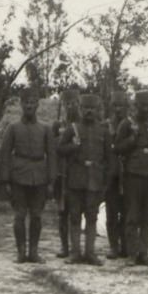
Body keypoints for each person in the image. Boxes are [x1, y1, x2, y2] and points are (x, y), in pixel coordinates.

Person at [0, 89, 57, 263]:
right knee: (19, 215)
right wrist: (6, 179)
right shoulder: (13, 128)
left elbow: (52, 155)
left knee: (37, 216)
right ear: (21, 105)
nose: (29, 106)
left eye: (33, 102)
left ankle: (33, 252)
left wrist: (51, 181)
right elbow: (5, 154)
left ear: (37, 105)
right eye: (26, 103)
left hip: (39, 176)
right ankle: (21, 252)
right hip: (19, 176)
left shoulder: (45, 129)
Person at [113, 89, 148, 266]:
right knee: (132, 215)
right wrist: (132, 140)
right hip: (133, 175)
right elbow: (117, 147)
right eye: (142, 105)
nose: (145, 108)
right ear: (135, 105)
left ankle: (143, 252)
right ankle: (132, 253)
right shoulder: (126, 124)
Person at [57, 94, 111, 265]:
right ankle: (75, 253)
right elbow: (59, 149)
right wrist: (73, 146)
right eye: (85, 108)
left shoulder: (103, 131)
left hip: (94, 181)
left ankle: (90, 253)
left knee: (92, 217)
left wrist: (105, 181)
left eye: (92, 108)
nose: (89, 111)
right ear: (80, 110)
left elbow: (108, 159)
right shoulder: (72, 129)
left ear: (97, 111)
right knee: (74, 217)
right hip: (75, 180)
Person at [53, 89, 80, 259]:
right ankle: (64, 247)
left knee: (76, 212)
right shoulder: (58, 125)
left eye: (73, 104)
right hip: (61, 173)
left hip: (77, 173)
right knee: (62, 213)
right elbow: (54, 148)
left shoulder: (82, 124)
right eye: (67, 104)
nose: (70, 107)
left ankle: (76, 246)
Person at [104, 90, 130, 259]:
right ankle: (114, 246)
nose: (118, 109)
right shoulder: (105, 126)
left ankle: (126, 245)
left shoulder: (131, 126)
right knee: (111, 212)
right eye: (115, 105)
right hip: (111, 175)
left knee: (128, 212)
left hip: (129, 174)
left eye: (121, 105)